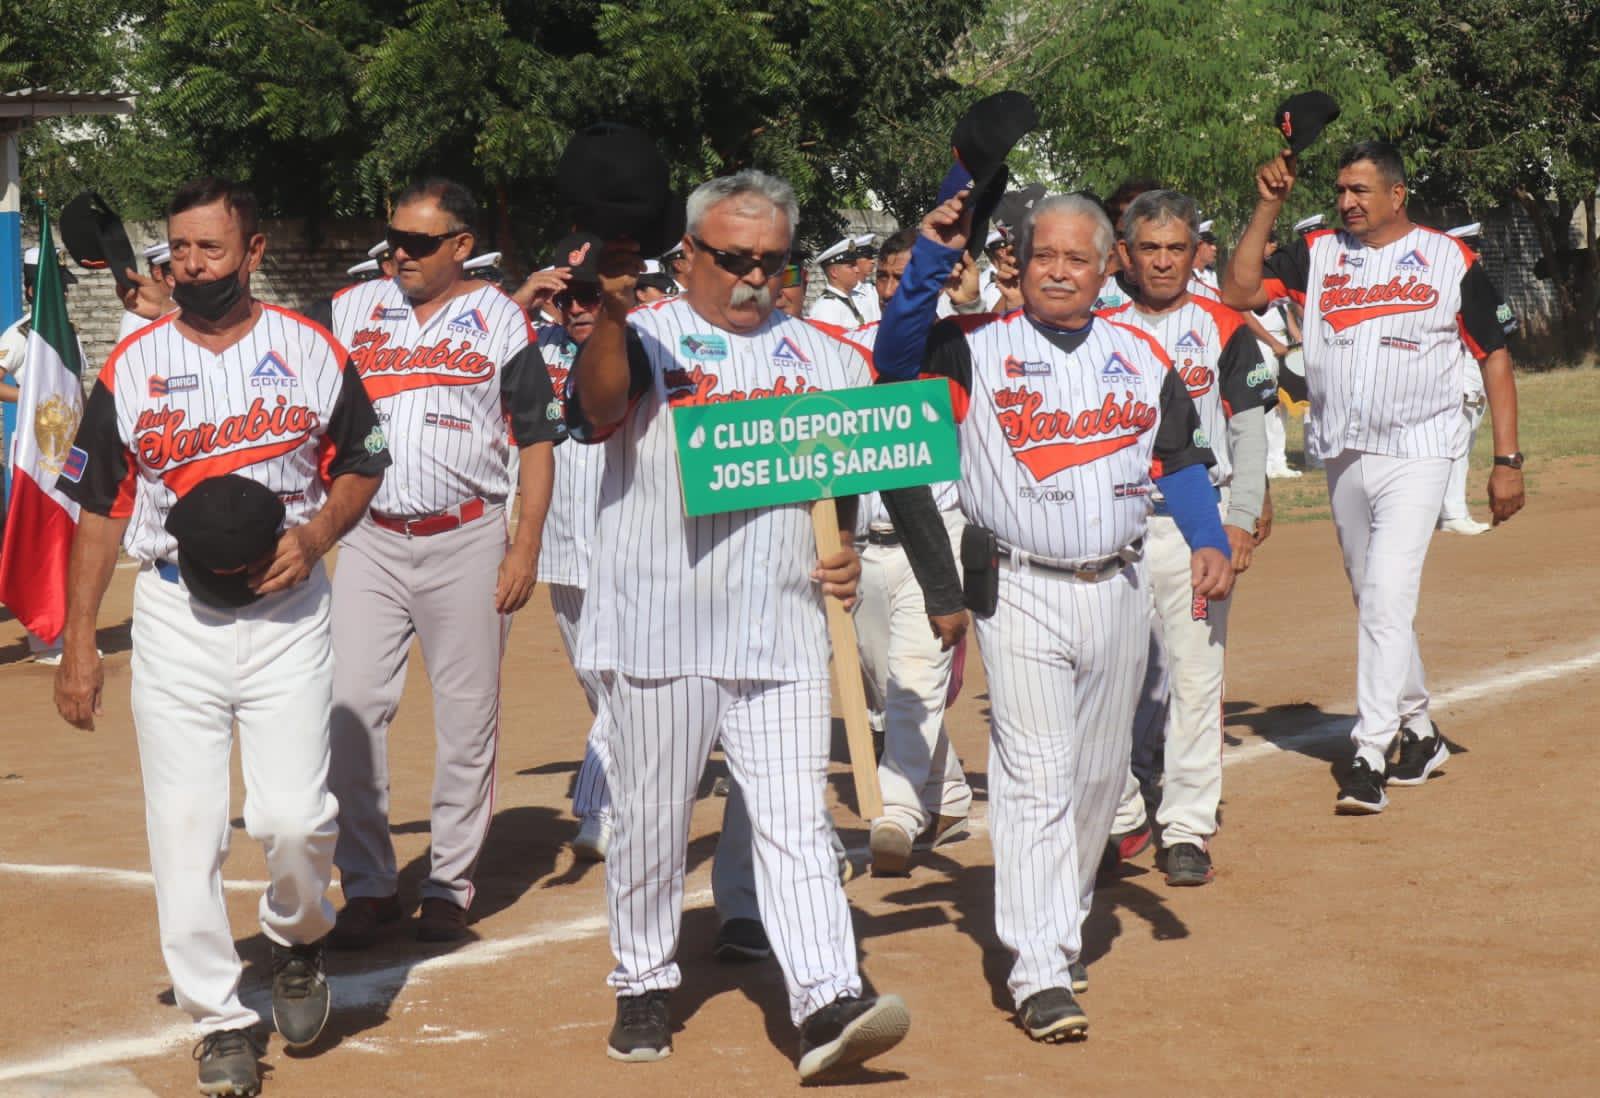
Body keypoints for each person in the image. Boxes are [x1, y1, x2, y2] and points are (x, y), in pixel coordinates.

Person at [568, 169, 912, 1080]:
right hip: (658, 627)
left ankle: (828, 998)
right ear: (688, 256)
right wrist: (606, 313)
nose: (754, 277)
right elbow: (599, 409)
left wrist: (840, 549)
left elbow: (840, 489)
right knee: (649, 819)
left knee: (795, 821)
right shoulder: (642, 340)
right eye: (732, 259)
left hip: (787, 626)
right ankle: (642, 980)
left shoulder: (830, 357)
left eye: (771, 260)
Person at [53, 176, 392, 1096]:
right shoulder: (132, 367)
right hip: (175, 613)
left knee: (292, 819)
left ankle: (295, 937)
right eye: (179, 250)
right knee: (186, 825)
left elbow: (365, 458)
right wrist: (81, 642)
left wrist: (316, 534)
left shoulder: (313, 352)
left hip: (287, 612)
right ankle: (219, 1017)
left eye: (210, 249)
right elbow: (97, 508)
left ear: (253, 252)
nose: (190, 266)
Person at [873, 188, 1233, 1041]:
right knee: (1035, 777)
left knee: (1099, 779)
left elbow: (1178, 454)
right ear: (1019, 263)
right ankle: (1038, 966)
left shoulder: (1140, 352)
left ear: (1107, 265)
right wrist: (930, 256)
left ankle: (1058, 928)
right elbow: (892, 356)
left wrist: (1208, 534)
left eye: (1077, 257)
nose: (1060, 272)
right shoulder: (971, 349)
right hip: (1020, 585)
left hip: (1118, 584)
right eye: (1044, 257)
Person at [1222, 141, 1525, 813]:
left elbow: (1495, 356)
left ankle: (1368, 752)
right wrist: (1267, 204)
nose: (1347, 201)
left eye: (1360, 190)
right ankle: (1421, 731)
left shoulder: (1451, 259)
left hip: (1420, 450)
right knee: (1374, 598)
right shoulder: (1319, 254)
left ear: (1397, 194)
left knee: (1387, 594)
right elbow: (1237, 290)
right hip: (1342, 450)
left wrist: (1507, 461)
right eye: (1340, 191)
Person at [325, 177, 560, 946]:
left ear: (462, 246)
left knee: (467, 720)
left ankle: (449, 886)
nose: (401, 253)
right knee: (351, 708)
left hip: (468, 537)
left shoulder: (500, 319)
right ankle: (366, 884)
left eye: (421, 242)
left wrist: (523, 546)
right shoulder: (352, 310)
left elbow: (535, 438)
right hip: (369, 536)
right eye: (394, 238)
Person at [1099, 190, 1278, 887]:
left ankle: (1187, 828)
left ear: (1195, 249)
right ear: (1126, 254)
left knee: (1197, 680)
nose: (1165, 262)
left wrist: (1239, 517)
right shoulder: (1096, 319)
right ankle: (1118, 817)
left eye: (1177, 248)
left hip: (1193, 530)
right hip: (1112, 532)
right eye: (1151, 249)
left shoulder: (1222, 323)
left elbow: (1251, 423)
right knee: (1112, 681)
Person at [835, 227, 975, 875]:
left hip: (935, 537)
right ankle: (946, 796)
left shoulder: (956, 343)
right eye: (883, 279)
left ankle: (895, 812)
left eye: (903, 278)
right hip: (864, 542)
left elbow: (949, 410)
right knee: (881, 689)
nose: (891, 291)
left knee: (915, 683)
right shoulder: (848, 347)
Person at [1436, 222, 1514, 535]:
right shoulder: (1450, 285)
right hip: (1460, 370)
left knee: (1463, 442)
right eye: (1471, 247)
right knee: (1456, 442)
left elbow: (1505, 326)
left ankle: (1448, 511)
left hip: (1477, 369)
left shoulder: (1478, 283)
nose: (1478, 253)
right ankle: (1452, 512)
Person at [806, 236, 868, 327]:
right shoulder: (828, 308)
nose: (857, 270)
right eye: (851, 266)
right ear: (834, 272)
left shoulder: (845, 300)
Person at [849, 234, 882, 323]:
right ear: (855, 260)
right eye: (868, 257)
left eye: (872, 257)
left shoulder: (873, 288)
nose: (873, 261)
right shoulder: (850, 292)